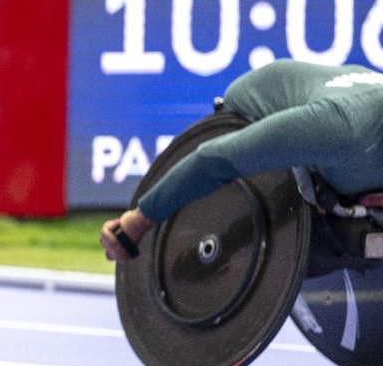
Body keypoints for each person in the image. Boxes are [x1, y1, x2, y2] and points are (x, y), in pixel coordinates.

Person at [101, 59, 383, 262]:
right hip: (262, 100)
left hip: (350, 101)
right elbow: (214, 159)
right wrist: (138, 220)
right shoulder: (341, 129)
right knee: (325, 244)